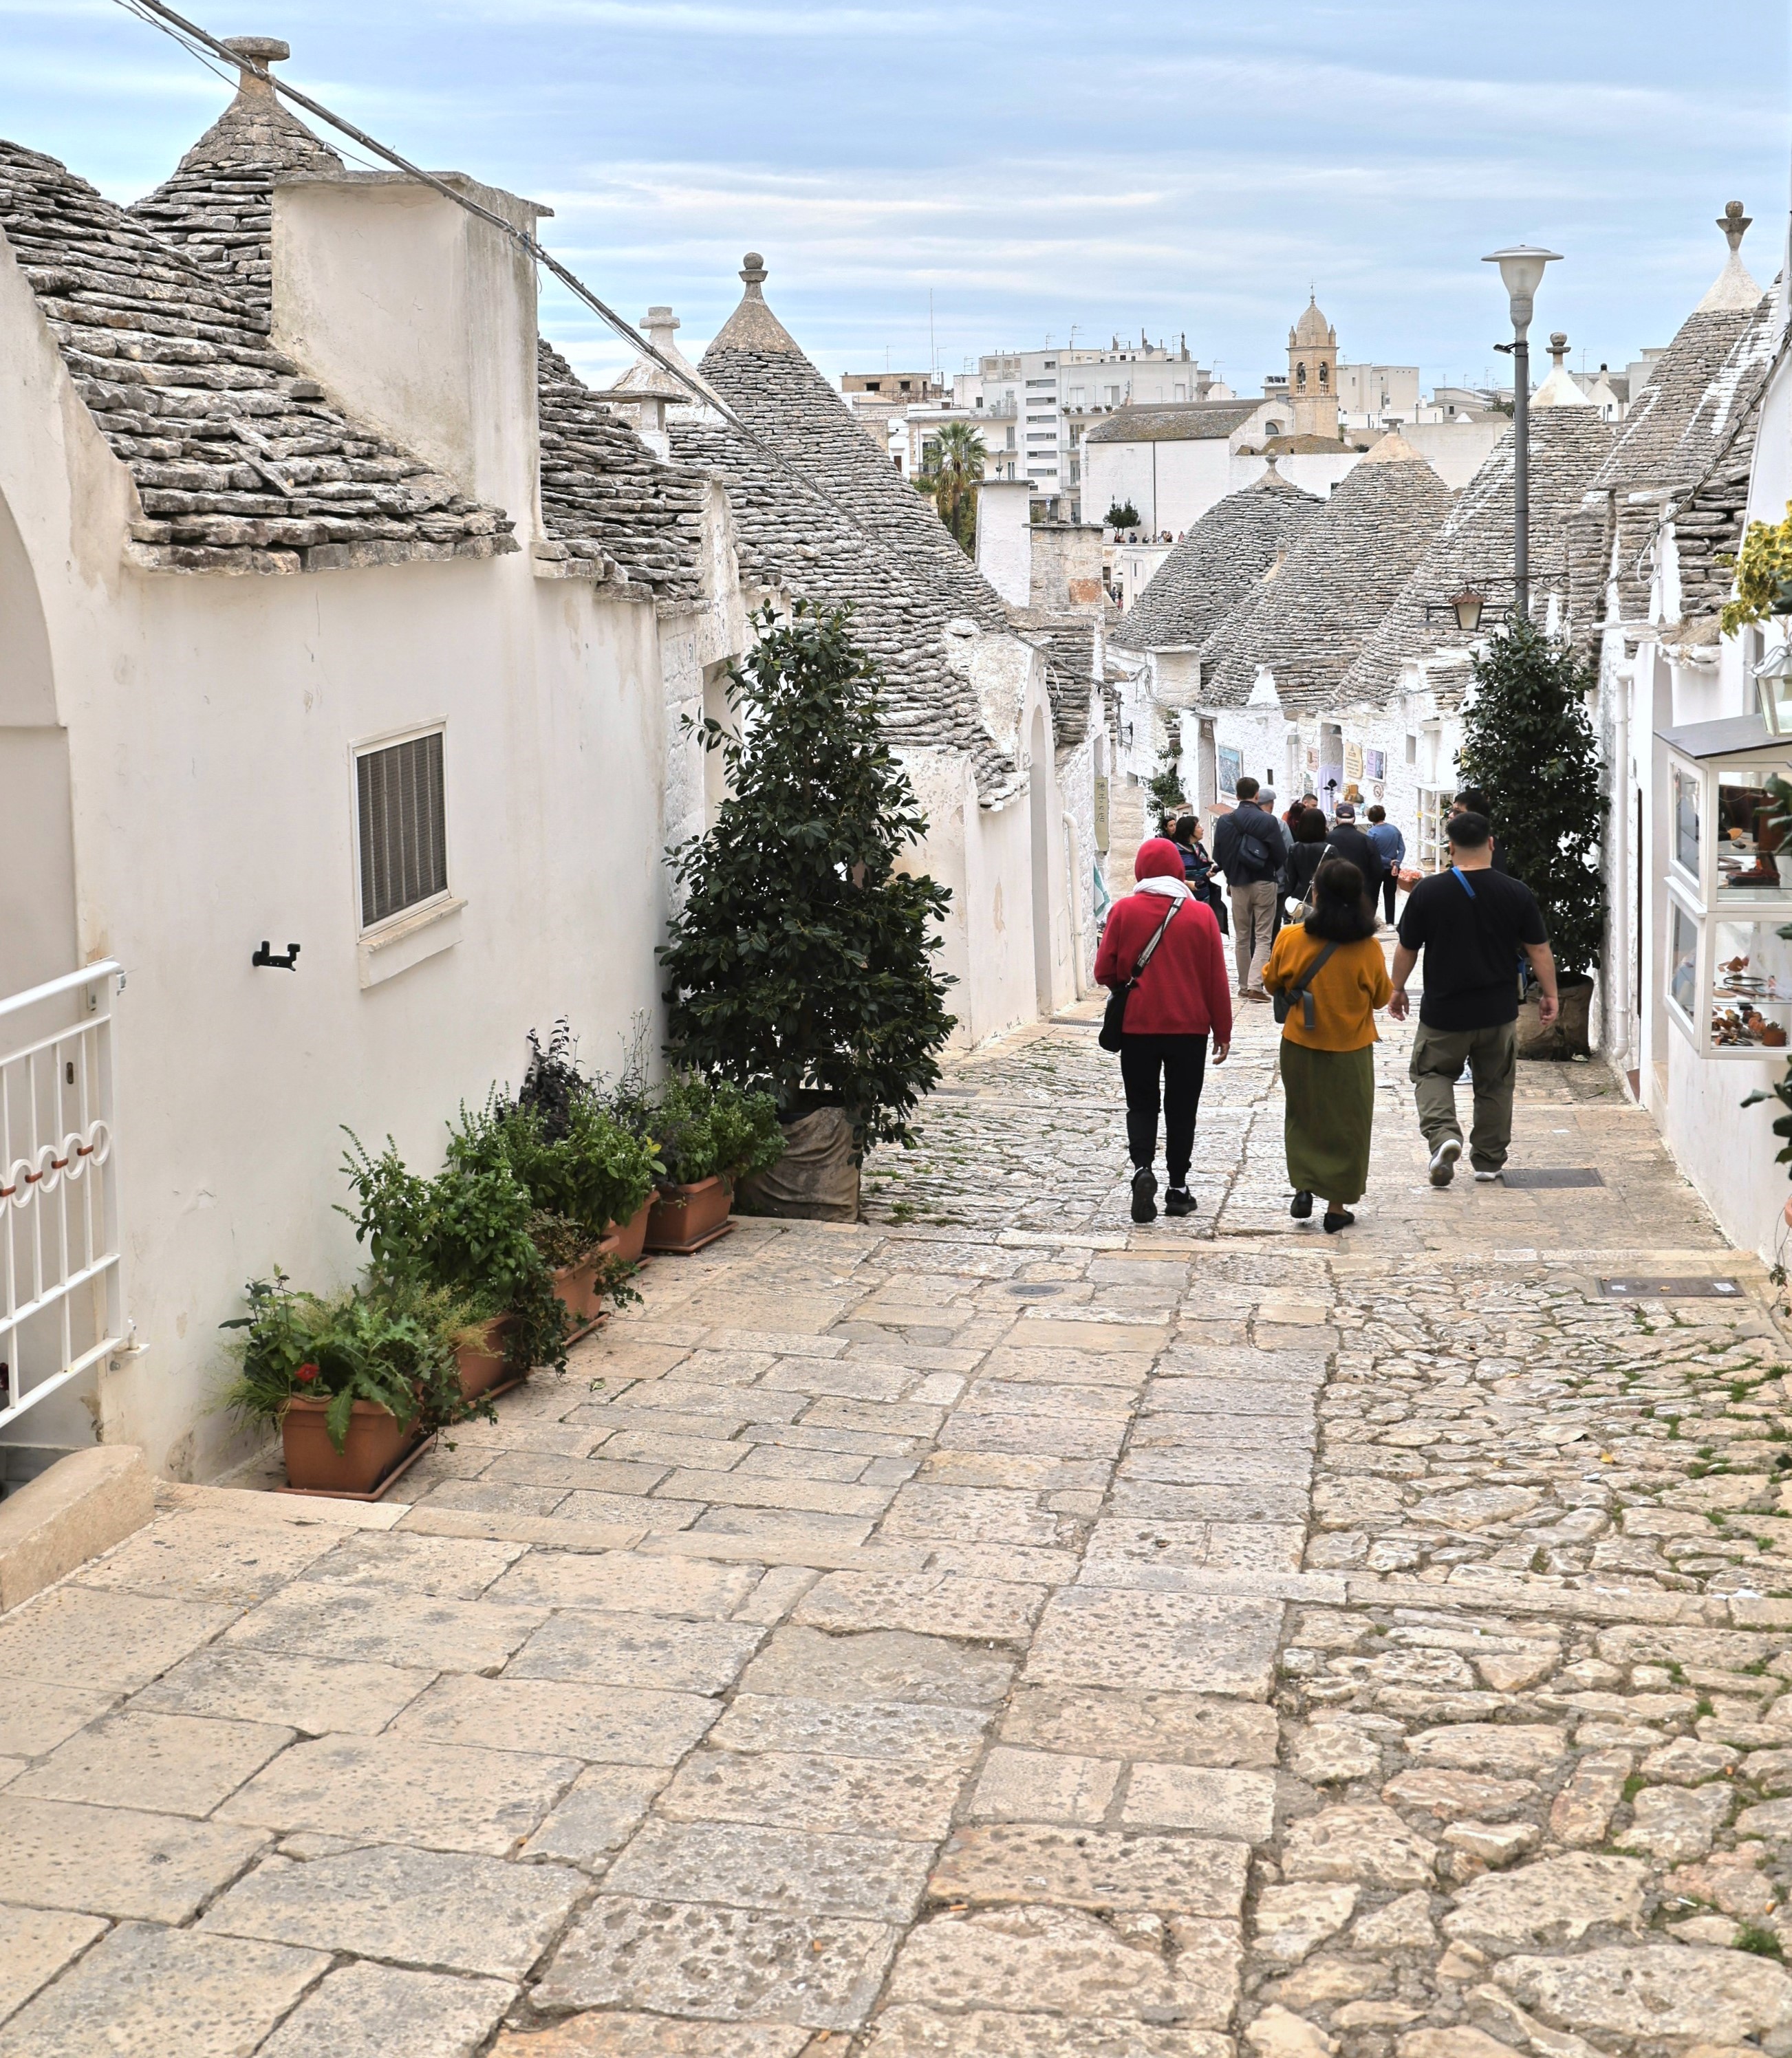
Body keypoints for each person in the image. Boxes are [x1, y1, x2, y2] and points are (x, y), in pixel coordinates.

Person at [1391, 811, 1557, 1186]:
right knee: (1495, 1083)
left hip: (1444, 1010)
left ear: (1450, 848)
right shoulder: (1516, 892)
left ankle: (1444, 1135)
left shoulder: (1429, 892)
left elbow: (1407, 948)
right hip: (1496, 1011)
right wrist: (1550, 994)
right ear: (1491, 845)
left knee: (1432, 1072)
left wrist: (1397, 988)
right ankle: (1488, 1160)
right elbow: (1540, 950)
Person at [1094, 838, 1233, 1223]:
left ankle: (1142, 1170)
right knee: (1181, 1108)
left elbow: (1103, 972)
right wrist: (1222, 1030)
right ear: (1177, 870)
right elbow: (1215, 980)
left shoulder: (1123, 911)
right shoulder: (1202, 914)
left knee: (1141, 1103)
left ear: (1140, 870)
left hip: (1137, 1027)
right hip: (1189, 1030)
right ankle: (1177, 1187)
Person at [1263, 858, 1392, 1233]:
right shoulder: (1367, 948)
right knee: (1349, 1124)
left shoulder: (1291, 937)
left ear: (1317, 893)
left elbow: (1271, 982)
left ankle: (1305, 1186)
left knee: (1304, 1116)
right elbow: (1382, 997)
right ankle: (1336, 1206)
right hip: (1350, 1049)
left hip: (1301, 1043)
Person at [1213, 776, 1288, 998]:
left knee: (1242, 936)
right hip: (1264, 881)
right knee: (1264, 935)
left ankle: (1245, 986)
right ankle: (1256, 984)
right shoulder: (1268, 821)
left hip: (1237, 884)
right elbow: (1280, 855)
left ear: (1237, 796)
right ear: (1257, 795)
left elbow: (1218, 854)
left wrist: (1231, 874)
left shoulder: (1225, 821)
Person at [1324, 801, 1385, 916]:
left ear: (1337, 820)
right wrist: (1371, 898)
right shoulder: (1366, 841)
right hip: (1360, 896)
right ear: (1354, 820)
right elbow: (1378, 871)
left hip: (1333, 897)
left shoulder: (1327, 839)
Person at [1172, 814, 1228, 933]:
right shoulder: (1176, 851)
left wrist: (1211, 872)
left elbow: (1206, 867)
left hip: (1205, 900)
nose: (1202, 829)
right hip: (1185, 903)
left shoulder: (1199, 847)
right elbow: (1171, 876)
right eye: (1198, 827)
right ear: (1189, 832)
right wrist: (1187, 883)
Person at [1280, 803, 1331, 914]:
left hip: (1300, 900)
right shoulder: (1330, 849)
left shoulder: (1294, 848)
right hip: (1324, 899)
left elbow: (1291, 879)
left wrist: (1286, 902)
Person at [1450, 788, 1511, 875]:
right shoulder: (1464, 840)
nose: (1451, 816)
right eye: (1452, 811)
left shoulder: (1488, 847)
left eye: (1457, 812)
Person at [1364, 805, 1407, 924]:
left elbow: (1373, 853)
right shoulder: (1394, 830)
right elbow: (1402, 849)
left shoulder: (1372, 833)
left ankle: (1370, 921)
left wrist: (1388, 861)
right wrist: (1396, 864)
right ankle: (1390, 924)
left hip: (1377, 868)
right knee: (1390, 896)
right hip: (1392, 869)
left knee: (1373, 896)